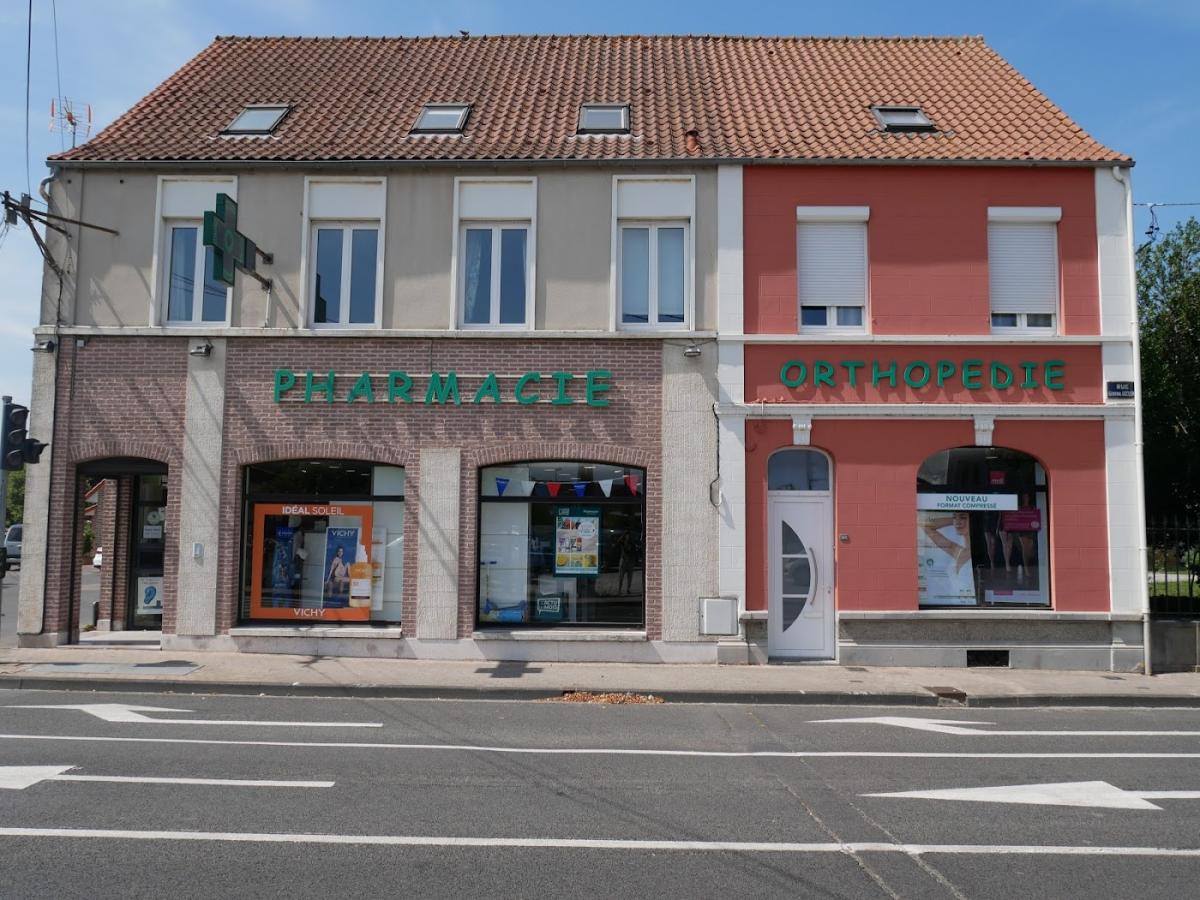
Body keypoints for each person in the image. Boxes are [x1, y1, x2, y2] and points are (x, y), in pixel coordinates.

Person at [919, 511, 977, 605]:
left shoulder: (977, 551)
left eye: (963, 517)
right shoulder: (958, 551)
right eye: (955, 517)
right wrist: (955, 520)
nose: (958, 521)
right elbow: (925, 525)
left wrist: (963, 520)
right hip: (955, 608)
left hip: (971, 610)